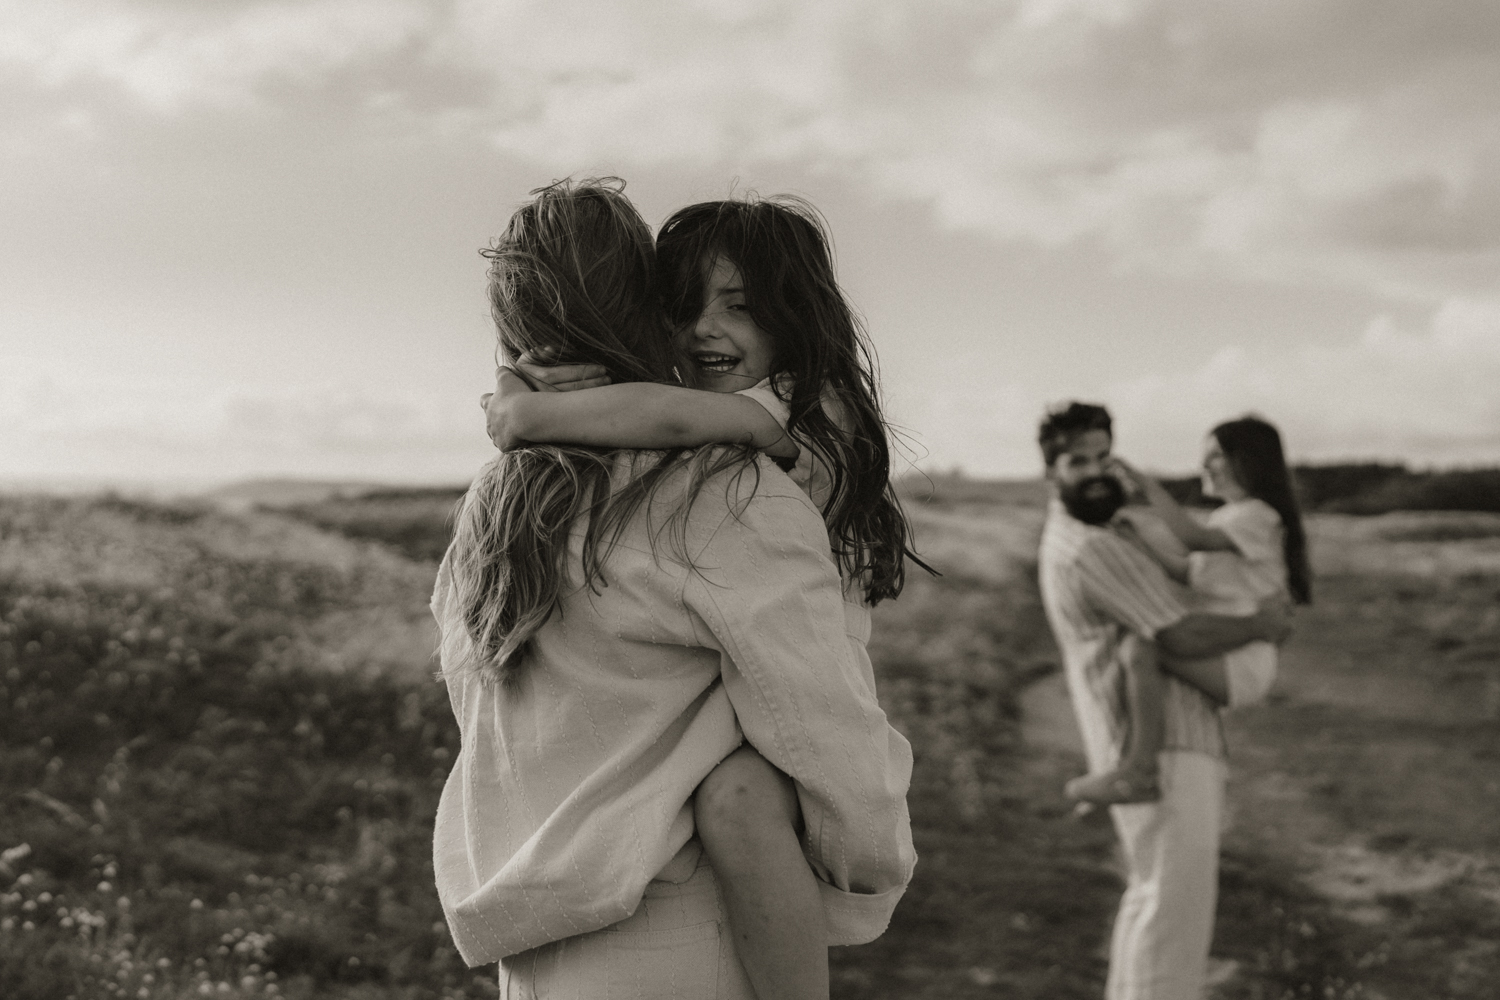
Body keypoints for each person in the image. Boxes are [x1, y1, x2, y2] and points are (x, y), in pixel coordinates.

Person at [431, 179, 916, 999]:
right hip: (679, 940)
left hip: (536, 952)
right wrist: (865, 875)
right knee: (741, 791)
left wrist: (523, 407)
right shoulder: (725, 495)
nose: (703, 330)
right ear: (644, 314)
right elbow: (823, 731)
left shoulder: (494, 504)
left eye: (740, 305)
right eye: (681, 305)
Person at [1035, 401, 1293, 1000]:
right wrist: (1260, 625)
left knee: (1152, 902)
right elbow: (1178, 634)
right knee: (1172, 924)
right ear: (1051, 470)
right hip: (1168, 748)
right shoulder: (1089, 547)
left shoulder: (1091, 534)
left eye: (1104, 456)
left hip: (1160, 742)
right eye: (1079, 460)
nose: (1096, 470)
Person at [1066, 416, 1313, 804]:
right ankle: (1132, 767)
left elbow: (1191, 538)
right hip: (1227, 644)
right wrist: (1138, 540)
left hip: (1241, 657)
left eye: (1216, 455)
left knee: (1140, 648)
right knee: (1140, 647)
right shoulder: (1229, 519)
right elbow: (1186, 572)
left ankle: (1137, 772)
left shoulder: (1258, 516)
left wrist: (1147, 486)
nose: (1204, 466)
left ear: (1247, 459)